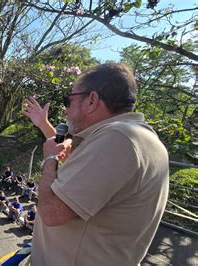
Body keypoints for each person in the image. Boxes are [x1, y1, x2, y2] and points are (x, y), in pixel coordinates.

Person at [23, 63, 169, 265]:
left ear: (91, 100)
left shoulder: (117, 139)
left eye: (69, 100)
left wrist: (49, 160)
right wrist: (43, 125)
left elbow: (51, 212)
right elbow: (71, 154)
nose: (66, 109)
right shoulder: (132, 136)